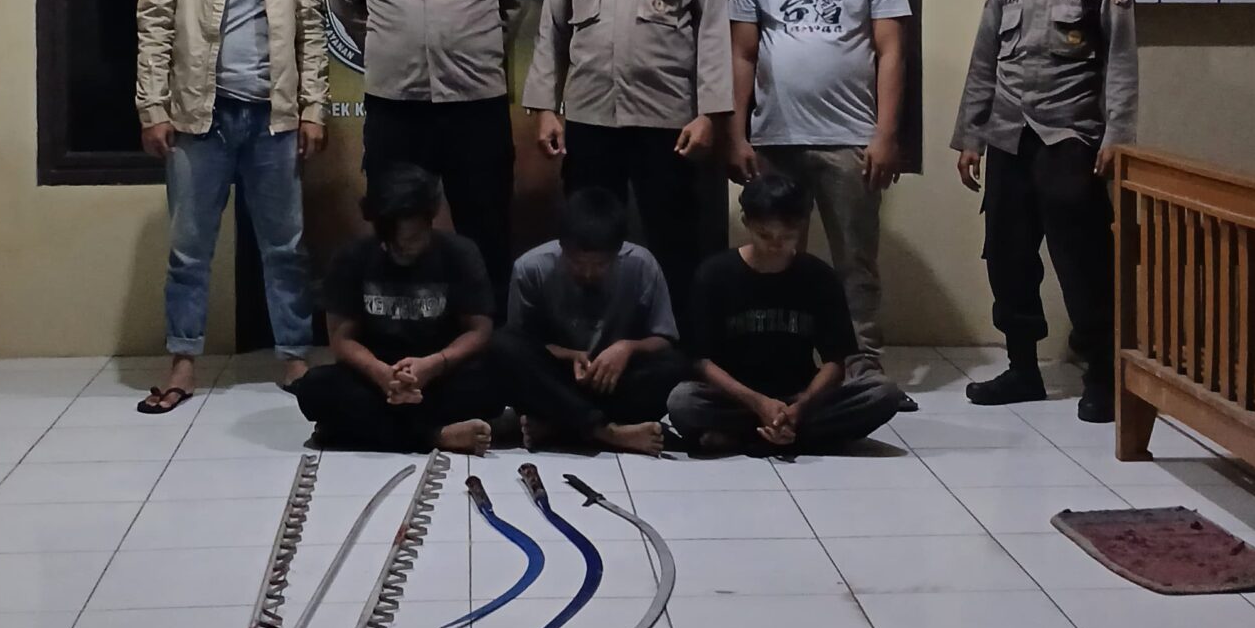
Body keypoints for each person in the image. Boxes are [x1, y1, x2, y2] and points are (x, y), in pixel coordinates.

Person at [133, 0, 329, 412]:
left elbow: (312, 34)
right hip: (199, 119)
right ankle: (183, 360)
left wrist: (313, 109)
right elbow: (153, 31)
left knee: (285, 247)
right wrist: (152, 107)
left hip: (274, 118)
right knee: (189, 250)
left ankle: (294, 356)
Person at [953, 0, 1139, 422]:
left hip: (1070, 136)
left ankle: (1102, 376)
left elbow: (1121, 60)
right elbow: (984, 60)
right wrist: (971, 136)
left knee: (1083, 260)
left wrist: (1118, 135)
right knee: (1007, 255)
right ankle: (1022, 369)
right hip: (1009, 136)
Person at [522, 0, 732, 323]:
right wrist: (545, 107)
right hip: (591, 119)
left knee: (674, 239)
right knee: (589, 238)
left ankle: (676, 342)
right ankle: (591, 334)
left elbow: (713, 30)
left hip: (668, 121)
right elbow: (552, 29)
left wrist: (709, 114)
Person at [327, 0, 529, 302]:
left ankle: (487, 330)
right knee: (393, 223)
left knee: (486, 224)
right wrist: (387, 44)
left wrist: (474, 47)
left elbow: (515, 1)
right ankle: (395, 324)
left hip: (475, 105)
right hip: (396, 105)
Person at [728, 0, 912, 377]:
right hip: (775, 138)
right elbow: (741, 55)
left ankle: (861, 364)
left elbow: (892, 53)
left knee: (854, 261)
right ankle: (783, 362)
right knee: (777, 255)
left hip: (850, 139)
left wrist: (885, 135)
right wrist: (736, 135)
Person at [667, 172, 908, 456]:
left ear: (802, 226)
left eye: (787, 236)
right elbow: (701, 362)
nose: (776, 245)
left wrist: (800, 406)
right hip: (738, 397)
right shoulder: (715, 274)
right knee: (683, 401)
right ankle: (794, 436)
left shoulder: (818, 277)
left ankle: (754, 436)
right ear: (746, 222)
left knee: (882, 393)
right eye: (765, 235)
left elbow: (835, 362)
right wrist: (758, 402)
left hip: (799, 396)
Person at [295, 164, 507, 455]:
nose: (403, 250)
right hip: (377, 376)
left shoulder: (459, 253)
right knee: (314, 388)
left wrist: (434, 364)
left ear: (430, 221)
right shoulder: (352, 257)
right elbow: (342, 339)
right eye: (392, 243)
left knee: (497, 376)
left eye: (413, 240)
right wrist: (382, 374)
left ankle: (362, 431)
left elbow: (479, 330)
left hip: (439, 372)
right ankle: (437, 435)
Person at [494, 188, 686, 457]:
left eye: (599, 265)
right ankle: (607, 432)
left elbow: (664, 338)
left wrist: (626, 348)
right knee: (501, 345)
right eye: (576, 263)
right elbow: (524, 343)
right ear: (562, 247)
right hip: (559, 378)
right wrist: (569, 355)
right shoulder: (531, 268)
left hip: (614, 379)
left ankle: (557, 426)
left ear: (618, 252)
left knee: (674, 365)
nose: (587, 273)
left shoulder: (641, 264)